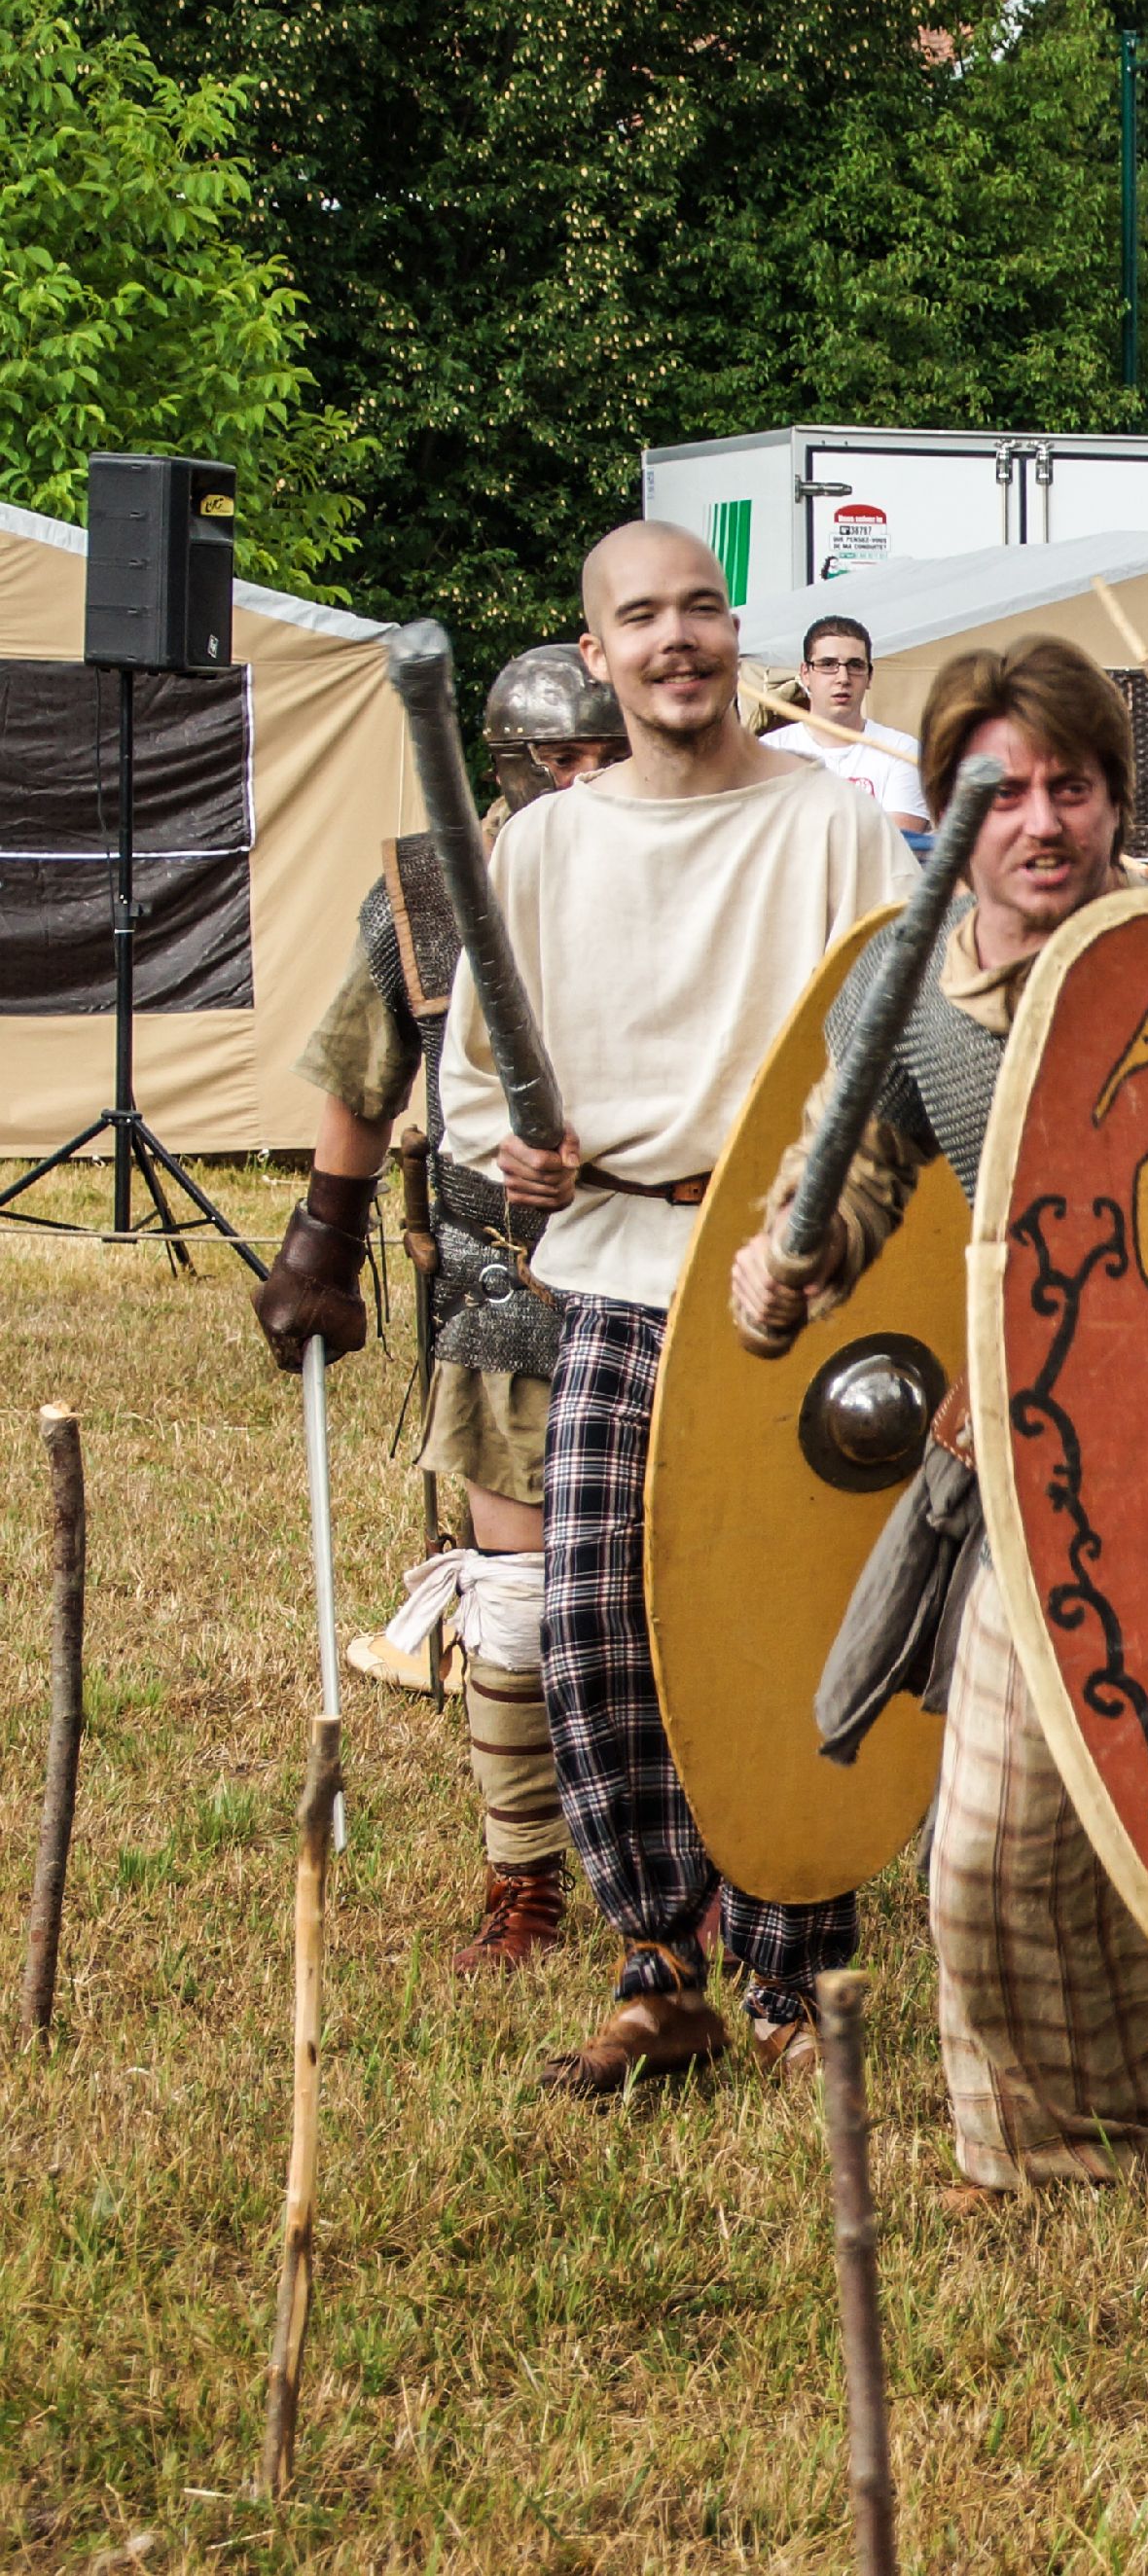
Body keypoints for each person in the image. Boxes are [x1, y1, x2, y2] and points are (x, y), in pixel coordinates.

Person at [726, 638, 1148, 2286]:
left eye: (1070, 786)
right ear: (947, 810)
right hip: (1045, 1462)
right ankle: (1047, 2144)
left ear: (1116, 793)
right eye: (999, 791)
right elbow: (843, 1200)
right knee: (994, 1846)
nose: (1038, 822)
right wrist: (775, 1270)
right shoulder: (914, 1002)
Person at [441, 519, 913, 2095]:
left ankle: (792, 1974)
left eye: (699, 607)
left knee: (789, 1630)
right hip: (613, 1280)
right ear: (598, 653)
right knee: (597, 1627)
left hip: (788, 1281)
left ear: (735, 627)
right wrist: (510, 1145)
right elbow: (466, 1096)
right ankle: (660, 1961)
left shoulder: (834, 827)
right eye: (638, 618)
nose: (675, 640)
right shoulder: (543, 851)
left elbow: (899, 1041)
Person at [250, 642, 625, 1972]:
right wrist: (321, 1245)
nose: (580, 780)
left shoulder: (676, 875)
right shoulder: (427, 894)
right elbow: (364, 1071)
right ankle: (520, 1875)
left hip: (658, 1274)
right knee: (515, 1600)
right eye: (557, 760)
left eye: (601, 756)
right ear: (512, 765)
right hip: (498, 1289)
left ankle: (691, 1875)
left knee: (658, 1597)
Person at [762, 615, 930, 841]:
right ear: (805, 673)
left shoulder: (901, 751)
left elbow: (896, 847)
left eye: (855, 665)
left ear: (870, 676)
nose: (843, 678)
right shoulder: (769, 751)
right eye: (828, 665)